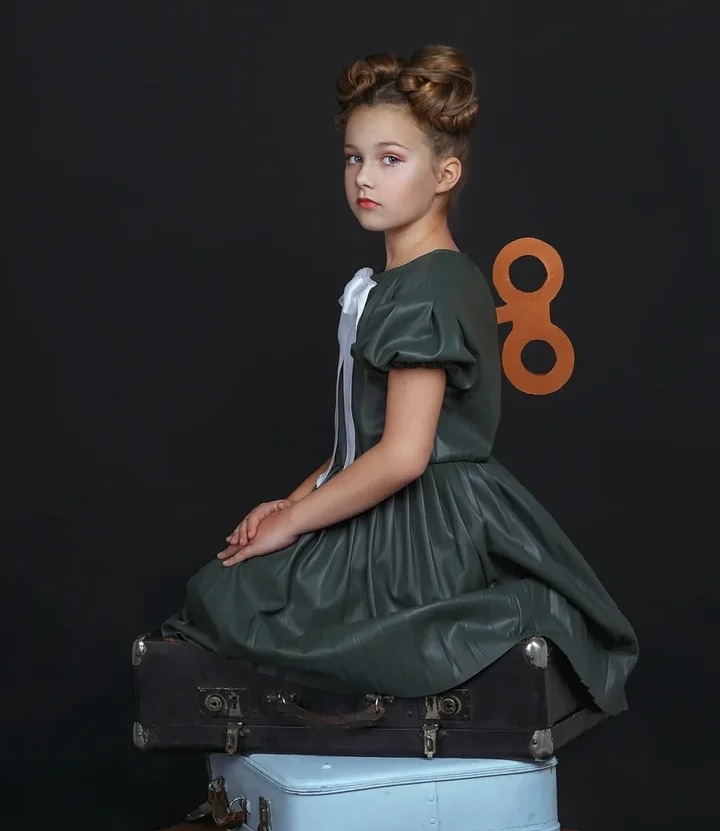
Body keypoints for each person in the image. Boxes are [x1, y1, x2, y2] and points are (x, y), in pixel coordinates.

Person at [161, 44, 638, 715]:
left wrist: (293, 523)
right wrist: (286, 505)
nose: (364, 177)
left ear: (445, 173)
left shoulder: (426, 291)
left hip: (422, 531)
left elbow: (404, 455)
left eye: (390, 159)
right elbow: (363, 440)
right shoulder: (414, 279)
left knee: (232, 600)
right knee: (234, 583)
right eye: (353, 158)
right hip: (404, 499)